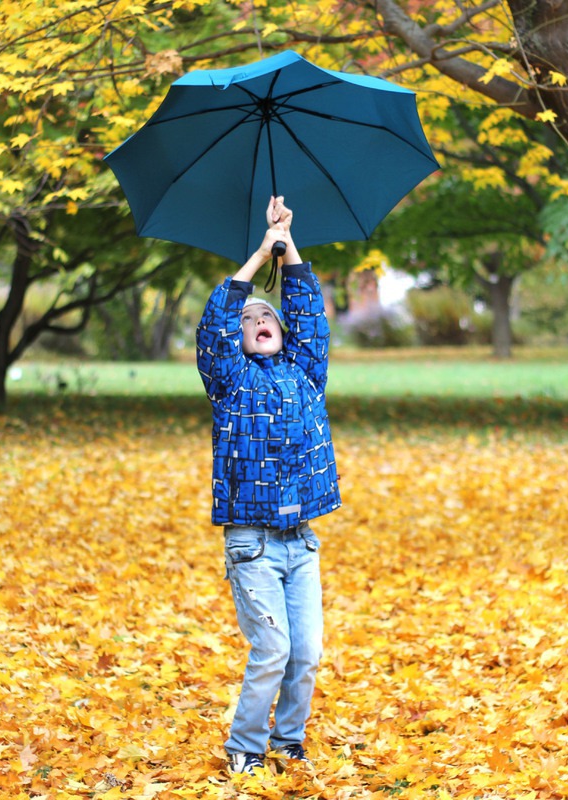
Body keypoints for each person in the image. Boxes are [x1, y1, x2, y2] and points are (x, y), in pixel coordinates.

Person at [194, 196, 341, 775]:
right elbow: (214, 325)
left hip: (300, 540)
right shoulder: (229, 380)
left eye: (267, 317)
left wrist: (288, 243)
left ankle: (288, 741)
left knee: (306, 652)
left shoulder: (305, 374)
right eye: (247, 319)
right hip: (251, 543)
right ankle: (245, 748)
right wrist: (259, 256)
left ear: (281, 331)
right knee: (274, 649)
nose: (258, 321)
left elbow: (310, 315)